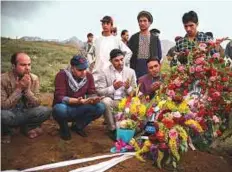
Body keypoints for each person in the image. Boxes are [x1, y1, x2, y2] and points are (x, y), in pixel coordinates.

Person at [1, 52, 51, 143]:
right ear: (13, 65)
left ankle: (27, 127)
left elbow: (37, 103)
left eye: (29, 64)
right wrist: (19, 89)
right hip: (10, 113)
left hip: (26, 112)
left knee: (46, 111)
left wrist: (27, 91)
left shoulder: (34, 78)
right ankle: (7, 132)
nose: (27, 68)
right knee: (2, 115)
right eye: (23, 65)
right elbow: (3, 106)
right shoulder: (3, 79)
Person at [52, 54, 106, 140]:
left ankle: (78, 126)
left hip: (80, 106)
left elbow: (91, 92)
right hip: (66, 107)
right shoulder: (62, 75)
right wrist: (77, 101)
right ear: (72, 68)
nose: (84, 72)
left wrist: (94, 99)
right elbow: (59, 97)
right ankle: (63, 127)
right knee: (59, 109)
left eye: (85, 69)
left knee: (100, 107)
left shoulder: (88, 76)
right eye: (80, 70)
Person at [96, 49, 137, 141]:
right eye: (116, 60)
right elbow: (99, 91)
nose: (120, 62)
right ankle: (112, 129)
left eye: (122, 59)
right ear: (111, 61)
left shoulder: (131, 72)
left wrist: (128, 87)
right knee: (105, 101)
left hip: (125, 101)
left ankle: (130, 127)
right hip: (112, 100)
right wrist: (113, 87)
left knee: (135, 102)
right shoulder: (104, 72)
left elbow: (135, 92)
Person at [92, 16, 132, 85]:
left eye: (107, 23)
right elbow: (90, 53)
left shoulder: (116, 40)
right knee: (97, 93)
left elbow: (128, 52)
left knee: (112, 93)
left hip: (112, 74)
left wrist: (121, 63)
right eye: (103, 23)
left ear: (111, 25)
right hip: (97, 73)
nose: (105, 25)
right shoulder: (97, 40)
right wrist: (91, 63)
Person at [128, 11, 162, 78]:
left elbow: (159, 56)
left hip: (152, 72)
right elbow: (129, 56)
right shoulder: (133, 38)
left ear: (149, 23)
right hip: (136, 72)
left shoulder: (155, 39)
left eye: (145, 21)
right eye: (140, 21)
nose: (142, 23)